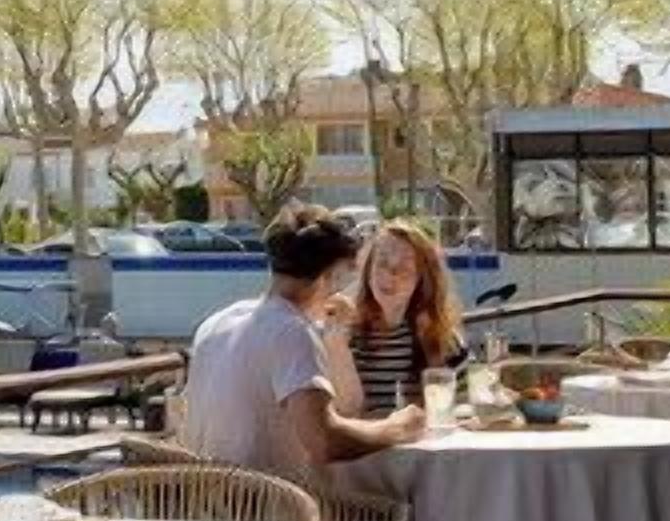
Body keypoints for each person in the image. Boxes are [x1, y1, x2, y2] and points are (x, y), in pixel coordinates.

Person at [183, 204, 423, 500]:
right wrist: (397, 428)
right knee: (407, 509)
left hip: (207, 510)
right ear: (330, 276)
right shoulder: (292, 332)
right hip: (270, 517)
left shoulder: (216, 324)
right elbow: (324, 441)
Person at [328, 219, 466, 416]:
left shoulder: (445, 340)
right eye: (382, 263)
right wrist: (336, 344)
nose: (390, 274)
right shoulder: (343, 333)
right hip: (361, 446)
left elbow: (460, 410)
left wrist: (432, 350)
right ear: (368, 270)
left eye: (405, 267)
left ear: (422, 280)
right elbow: (342, 413)